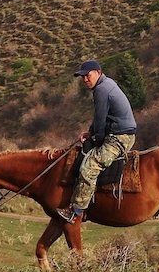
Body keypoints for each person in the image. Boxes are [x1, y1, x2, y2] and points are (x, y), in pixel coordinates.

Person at [56, 58, 136, 223]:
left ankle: (76, 211)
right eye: (83, 77)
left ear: (98, 72)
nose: (85, 79)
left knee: (89, 167)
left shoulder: (101, 89)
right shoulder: (106, 84)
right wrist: (91, 133)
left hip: (119, 137)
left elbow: (100, 121)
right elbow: (101, 118)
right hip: (117, 132)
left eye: (88, 75)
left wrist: (96, 138)